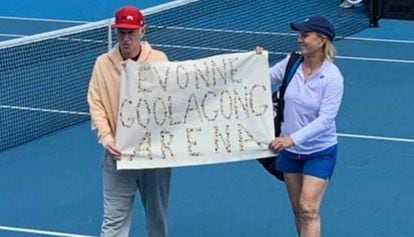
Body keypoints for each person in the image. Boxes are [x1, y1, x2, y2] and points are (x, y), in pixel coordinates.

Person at [87, 6, 172, 237]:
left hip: (154, 158)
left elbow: (169, 101)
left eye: (131, 32)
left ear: (142, 31)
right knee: (113, 222)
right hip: (117, 157)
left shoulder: (159, 60)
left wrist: (137, 75)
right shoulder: (102, 64)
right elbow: (96, 106)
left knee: (157, 219)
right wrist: (106, 138)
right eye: (121, 32)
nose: (126, 38)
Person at [267, 16, 344, 237]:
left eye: (305, 35)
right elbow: (263, 77)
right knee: (298, 210)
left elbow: (326, 119)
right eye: (300, 35)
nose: (299, 39)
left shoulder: (332, 77)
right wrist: (255, 60)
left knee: (309, 209)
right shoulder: (291, 63)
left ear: (321, 40)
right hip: (290, 153)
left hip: (319, 152)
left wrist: (292, 138)